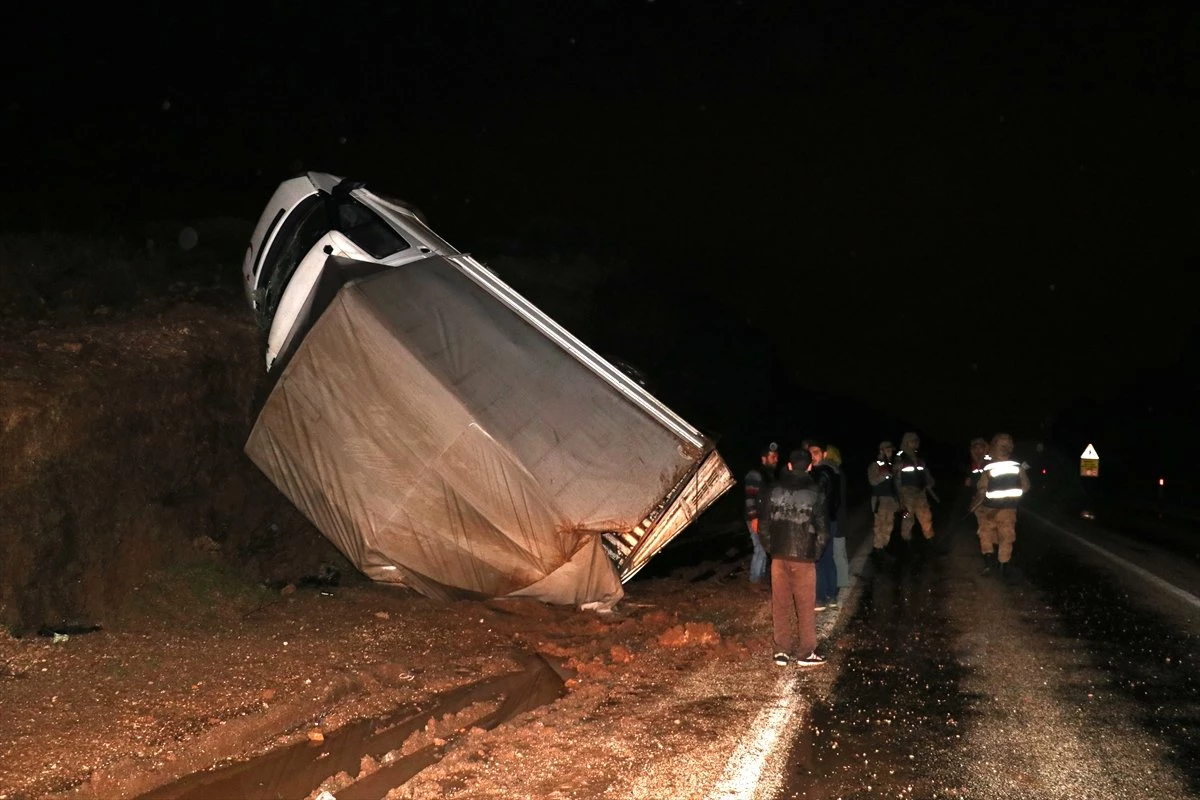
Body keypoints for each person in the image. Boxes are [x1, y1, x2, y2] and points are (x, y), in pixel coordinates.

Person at [759, 448, 829, 667]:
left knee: (780, 604)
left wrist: (772, 549)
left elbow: (763, 526)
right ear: (810, 466)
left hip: (779, 557)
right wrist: (815, 553)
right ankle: (806, 652)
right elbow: (823, 530)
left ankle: (782, 651)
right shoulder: (816, 491)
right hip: (804, 558)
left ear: (789, 466)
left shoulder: (774, 489)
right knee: (805, 605)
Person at [974, 433, 1031, 580]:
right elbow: (1025, 487)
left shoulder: (989, 468)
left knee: (986, 533)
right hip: (1008, 511)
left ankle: (988, 561)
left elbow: (981, 489)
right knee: (1006, 537)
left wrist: (977, 503)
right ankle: (1003, 566)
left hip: (990, 510)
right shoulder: (1017, 467)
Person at [806, 440, 841, 609]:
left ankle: (820, 597)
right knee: (827, 558)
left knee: (818, 559)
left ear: (824, 454)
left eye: (816, 453)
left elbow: (815, 497)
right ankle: (832, 595)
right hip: (831, 520)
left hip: (821, 522)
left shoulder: (822, 472)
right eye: (810, 453)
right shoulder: (834, 470)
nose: (812, 457)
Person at [743, 442, 779, 587]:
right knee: (760, 548)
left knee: (765, 547)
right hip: (757, 518)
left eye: (777, 456)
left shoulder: (770, 475)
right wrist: (753, 518)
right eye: (772, 456)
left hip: (766, 518)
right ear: (763, 458)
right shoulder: (755, 475)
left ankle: (761, 577)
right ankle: (754, 580)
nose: (776, 459)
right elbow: (749, 497)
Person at [895, 431, 936, 544]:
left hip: (920, 492)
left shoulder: (919, 458)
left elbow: (927, 474)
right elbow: (896, 480)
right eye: (913, 441)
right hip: (906, 494)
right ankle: (907, 544)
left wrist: (930, 482)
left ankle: (930, 541)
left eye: (916, 441)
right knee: (908, 519)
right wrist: (900, 501)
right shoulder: (900, 459)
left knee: (926, 517)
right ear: (907, 443)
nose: (916, 443)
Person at [821, 443, 851, 591]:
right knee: (839, 551)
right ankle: (842, 581)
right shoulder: (839, 471)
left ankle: (839, 583)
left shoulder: (831, 472)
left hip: (836, 516)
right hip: (840, 515)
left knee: (836, 552)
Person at [867, 440, 898, 557]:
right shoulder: (875, 464)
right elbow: (872, 481)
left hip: (890, 499)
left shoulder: (890, 465)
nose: (890, 452)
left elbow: (895, 484)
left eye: (891, 450)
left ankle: (884, 546)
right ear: (881, 451)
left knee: (889, 524)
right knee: (879, 525)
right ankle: (878, 548)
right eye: (888, 449)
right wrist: (884, 475)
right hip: (880, 500)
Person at [963, 437, 991, 536]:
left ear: (985, 448)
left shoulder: (990, 462)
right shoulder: (973, 464)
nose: (978, 450)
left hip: (989, 499)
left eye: (980, 448)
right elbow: (969, 482)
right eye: (975, 448)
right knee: (983, 526)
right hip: (976, 498)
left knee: (991, 524)